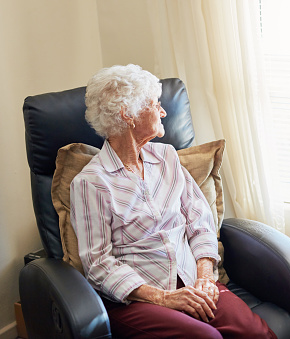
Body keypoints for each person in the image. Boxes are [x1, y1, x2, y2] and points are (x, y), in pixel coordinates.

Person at [70, 64, 276, 338]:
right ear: (127, 115)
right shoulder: (91, 183)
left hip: (193, 280)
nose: (163, 111)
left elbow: (200, 222)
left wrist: (204, 279)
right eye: (156, 104)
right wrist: (165, 298)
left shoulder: (167, 157)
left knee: (255, 332)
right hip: (138, 298)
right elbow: (97, 263)